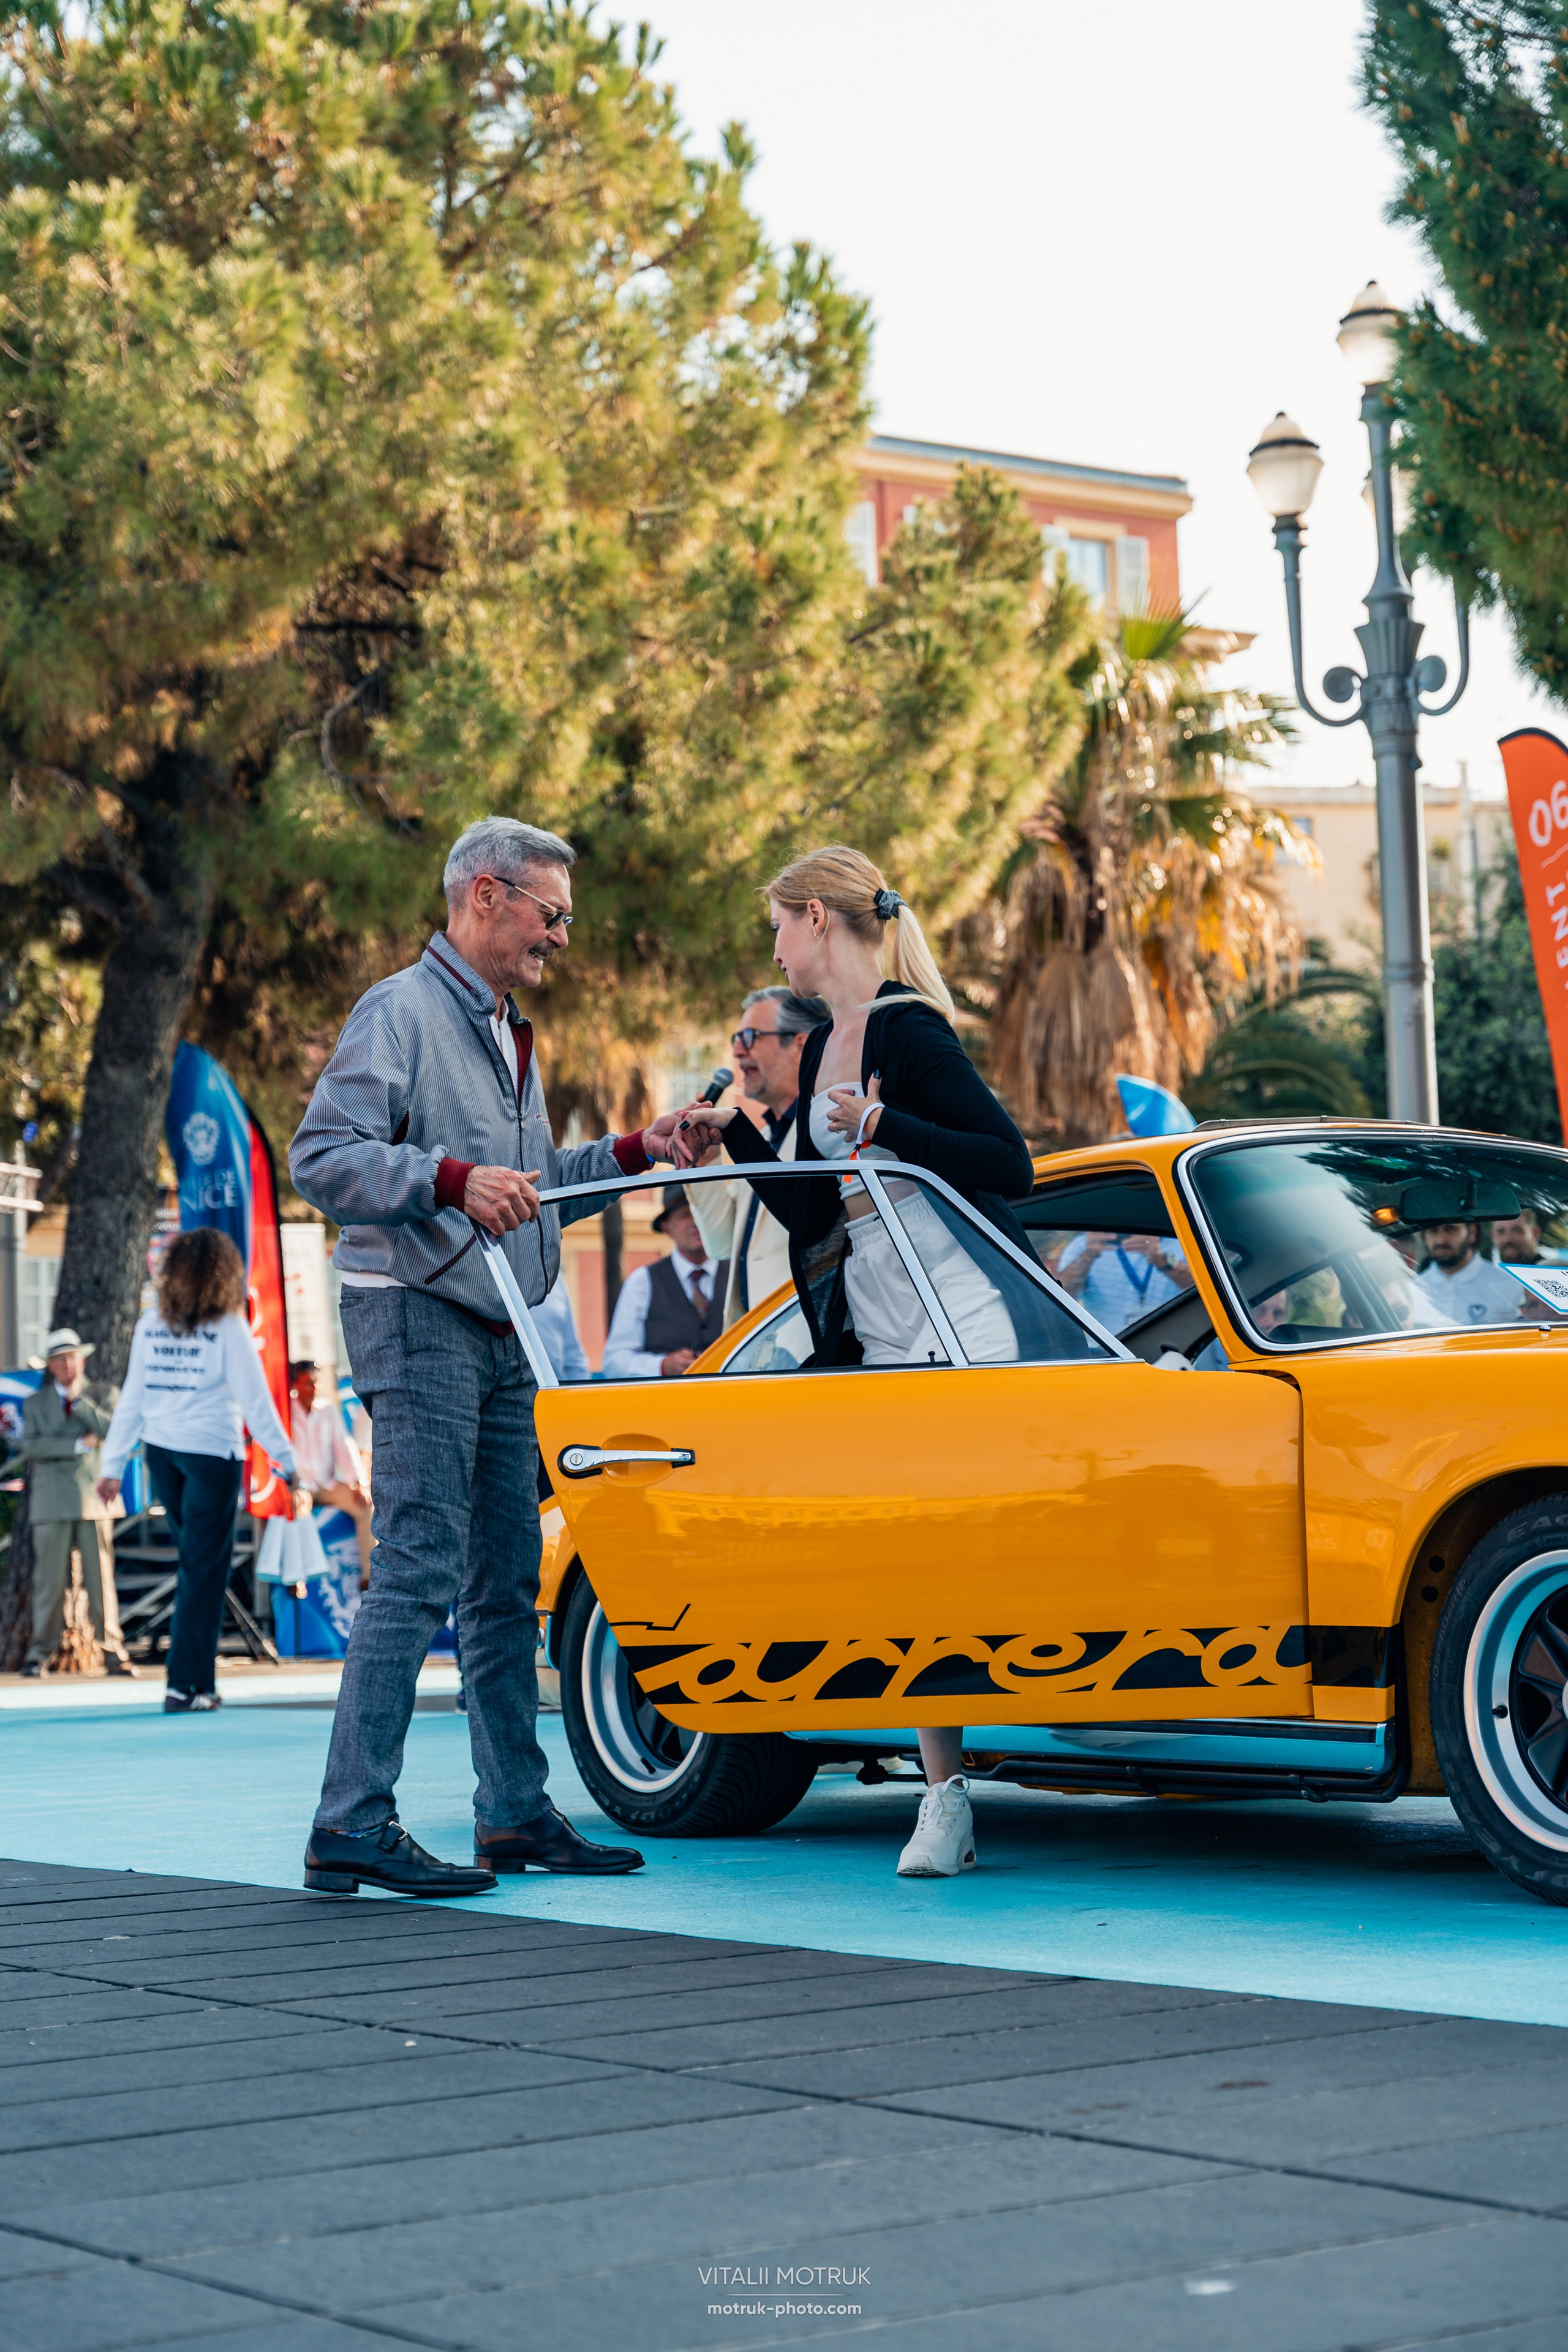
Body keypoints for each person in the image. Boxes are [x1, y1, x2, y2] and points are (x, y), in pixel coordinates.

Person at [288, 815, 693, 1899]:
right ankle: (351, 1823)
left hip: (502, 1319)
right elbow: (322, 1159)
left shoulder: (509, 1029)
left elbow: (528, 1179)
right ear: (484, 896)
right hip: (416, 1312)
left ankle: (513, 1813)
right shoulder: (402, 1011)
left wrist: (631, 1152)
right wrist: (452, 1179)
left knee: (508, 1577)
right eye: (551, 914)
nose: (562, 936)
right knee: (421, 1562)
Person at [676, 843, 1034, 1883]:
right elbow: (810, 1207)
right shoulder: (824, 1041)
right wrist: (737, 1135)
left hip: (959, 1322)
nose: (775, 947)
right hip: (879, 1329)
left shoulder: (904, 1031)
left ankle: (974, 1782)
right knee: (907, 1565)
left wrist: (884, 1124)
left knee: (950, 1560)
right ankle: (945, 1796)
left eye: (779, 926)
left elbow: (1003, 1161)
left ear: (818, 920)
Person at [97, 1231, 304, 1713]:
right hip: (212, 1455)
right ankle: (187, 1684)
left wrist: (112, 1465)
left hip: (162, 1455)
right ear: (223, 1276)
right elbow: (257, 1402)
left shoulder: (151, 1325)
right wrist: (288, 1462)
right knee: (202, 1569)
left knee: (196, 1567)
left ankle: (193, 1683)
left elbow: (133, 1398)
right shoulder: (229, 1328)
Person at [685, 987, 829, 1327]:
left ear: (801, 1045)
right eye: (737, 1037)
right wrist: (706, 1161)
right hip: (757, 1351)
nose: (737, 1050)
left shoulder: (833, 1135)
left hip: (809, 1351)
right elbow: (721, 1246)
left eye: (750, 1037)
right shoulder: (759, 1141)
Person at [19, 1327, 135, 1679]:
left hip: (95, 1500)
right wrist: (78, 1446)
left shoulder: (104, 1394)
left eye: (72, 1356)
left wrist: (81, 1405)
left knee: (101, 1581)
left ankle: (113, 1651)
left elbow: (117, 1432)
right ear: (50, 1366)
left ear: (82, 1359)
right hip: (51, 1502)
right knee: (49, 1583)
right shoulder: (35, 1403)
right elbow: (31, 1448)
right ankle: (39, 1653)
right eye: (60, 1359)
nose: (68, 1364)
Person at [601, 1188, 727, 1379]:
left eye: (701, 1211)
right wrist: (662, 1366)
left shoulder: (739, 1274)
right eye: (685, 1215)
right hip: (668, 1404)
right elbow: (615, 1362)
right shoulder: (642, 1282)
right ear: (667, 1227)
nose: (696, 1222)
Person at [289, 1361, 374, 1586]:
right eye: (308, 1383)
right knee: (297, 1510)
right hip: (300, 1486)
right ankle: (299, 1579)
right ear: (296, 1385)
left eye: (316, 1383)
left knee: (366, 1505)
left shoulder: (327, 1409)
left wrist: (359, 1483)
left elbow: (343, 1445)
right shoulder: (285, 1411)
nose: (314, 1389)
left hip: (326, 1484)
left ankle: (370, 1577)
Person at [1055, 1229, 1188, 1333]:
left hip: (1179, 1343)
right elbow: (1058, 1298)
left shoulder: (1179, 1238)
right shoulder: (1084, 1244)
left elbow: (1203, 1291)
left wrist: (1161, 1259)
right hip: (1112, 1351)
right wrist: (1087, 1256)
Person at [1414, 1217, 1521, 1325]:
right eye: (1433, 1231)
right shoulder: (1414, 1290)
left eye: (1451, 1229)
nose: (1441, 1240)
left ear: (1472, 1232)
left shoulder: (1508, 1285)